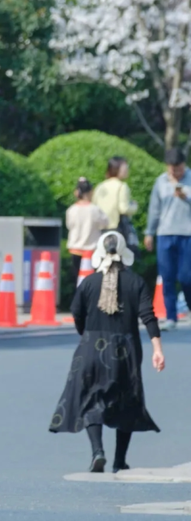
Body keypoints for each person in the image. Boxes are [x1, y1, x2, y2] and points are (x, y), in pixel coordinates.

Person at [50, 231, 164, 473]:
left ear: (100, 253)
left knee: (92, 398)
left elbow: (77, 313)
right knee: (127, 401)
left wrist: (86, 334)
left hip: (91, 347)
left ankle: (97, 451)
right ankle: (119, 460)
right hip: (126, 349)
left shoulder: (89, 283)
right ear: (124, 252)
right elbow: (148, 316)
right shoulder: (136, 282)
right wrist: (157, 349)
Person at [145, 147, 191, 331]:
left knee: (186, 277)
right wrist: (149, 232)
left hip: (187, 233)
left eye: (179, 169)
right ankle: (171, 316)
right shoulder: (161, 182)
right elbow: (154, 210)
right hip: (165, 233)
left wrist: (186, 196)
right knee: (167, 277)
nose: (176, 173)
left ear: (184, 164)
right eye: (172, 169)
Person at [66, 177, 109, 284]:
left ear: (76, 193)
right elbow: (105, 223)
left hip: (75, 249)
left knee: (77, 279)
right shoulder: (95, 209)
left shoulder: (71, 210)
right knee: (92, 281)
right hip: (92, 250)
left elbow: (69, 226)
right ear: (91, 192)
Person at [93, 156, 138, 231]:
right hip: (115, 227)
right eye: (125, 167)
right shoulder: (121, 186)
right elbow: (124, 209)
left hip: (99, 228)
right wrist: (134, 206)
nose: (127, 169)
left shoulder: (100, 186)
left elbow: (94, 206)